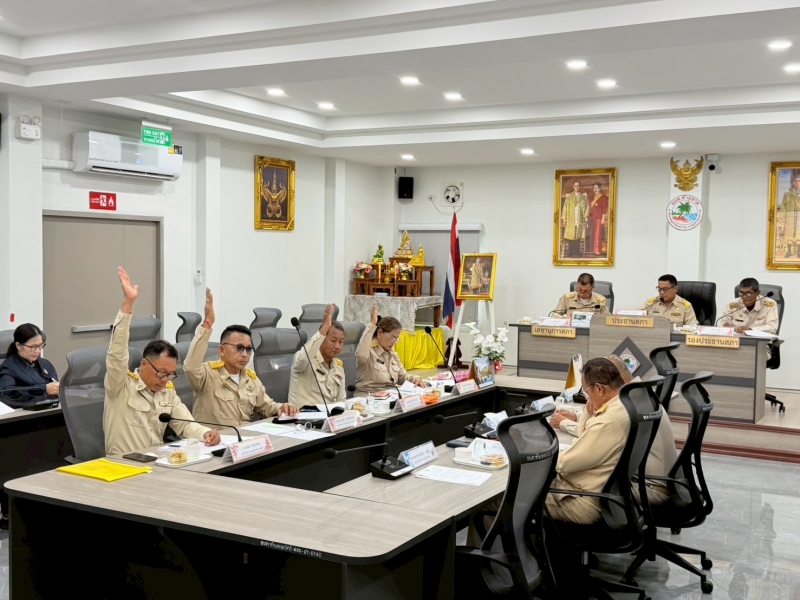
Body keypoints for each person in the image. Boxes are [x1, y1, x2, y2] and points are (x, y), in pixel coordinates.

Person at [104, 267, 220, 456]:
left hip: (156, 463)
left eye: (170, 374)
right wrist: (128, 302)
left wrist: (206, 433)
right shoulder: (120, 386)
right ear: (144, 364)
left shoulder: (167, 392)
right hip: (124, 466)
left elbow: (185, 424)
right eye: (161, 373)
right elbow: (117, 353)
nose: (165, 380)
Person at [551, 355, 677, 505]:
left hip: (647, 485)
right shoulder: (641, 394)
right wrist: (581, 411)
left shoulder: (627, 405)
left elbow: (595, 433)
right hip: (655, 479)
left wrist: (565, 423)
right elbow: (596, 429)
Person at [185, 288, 297, 426]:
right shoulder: (207, 375)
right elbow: (190, 367)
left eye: (249, 349)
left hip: (244, 438)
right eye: (239, 348)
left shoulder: (251, 379)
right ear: (222, 350)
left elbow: (266, 406)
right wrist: (207, 323)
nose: (245, 354)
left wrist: (282, 408)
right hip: (215, 438)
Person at [545, 358, 629, 524]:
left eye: (586, 392)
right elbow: (584, 434)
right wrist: (589, 406)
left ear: (599, 389)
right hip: (606, 494)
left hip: (583, 500)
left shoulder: (608, 420)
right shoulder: (624, 405)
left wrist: (534, 454)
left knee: (509, 498)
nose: (587, 398)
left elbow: (565, 463)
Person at [355, 305, 426, 396]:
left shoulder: (393, 355)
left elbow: (402, 377)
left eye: (396, 338)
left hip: (389, 397)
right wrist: (372, 324)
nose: (394, 342)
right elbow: (360, 354)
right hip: (367, 397)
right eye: (392, 337)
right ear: (380, 333)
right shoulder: (368, 352)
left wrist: (414, 379)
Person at [288, 303, 347, 407]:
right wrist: (325, 327)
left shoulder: (338, 366)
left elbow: (341, 400)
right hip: (303, 415)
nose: (338, 346)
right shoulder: (306, 359)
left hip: (329, 415)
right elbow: (303, 359)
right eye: (333, 341)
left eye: (341, 342)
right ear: (322, 339)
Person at [0, 323, 59, 404]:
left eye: (40, 345)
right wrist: (44, 389)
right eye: (33, 347)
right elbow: (7, 392)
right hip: (27, 409)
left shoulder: (45, 363)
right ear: (18, 346)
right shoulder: (8, 367)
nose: (37, 351)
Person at [561, 180, 588, 257]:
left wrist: (586, 216)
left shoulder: (583, 197)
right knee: (571, 235)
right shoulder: (569, 196)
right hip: (571, 219)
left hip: (579, 219)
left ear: (580, 186)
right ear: (573, 187)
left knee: (577, 235)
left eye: (578, 185)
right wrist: (564, 218)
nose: (577, 187)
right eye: (575, 186)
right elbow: (565, 207)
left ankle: (577, 251)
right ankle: (571, 251)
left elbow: (587, 206)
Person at [778, 174, 800, 258]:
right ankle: (789, 251)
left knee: (799, 232)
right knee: (789, 232)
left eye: (799, 181)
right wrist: (782, 217)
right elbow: (783, 205)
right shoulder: (788, 193)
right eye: (796, 181)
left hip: (799, 216)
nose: (798, 183)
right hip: (790, 215)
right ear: (793, 182)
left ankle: (799, 251)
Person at [586, 182, 608, 255]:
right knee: (591, 234)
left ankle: (597, 250)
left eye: (597, 188)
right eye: (594, 188)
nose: (595, 189)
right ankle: (591, 250)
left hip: (599, 218)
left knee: (597, 234)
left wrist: (603, 218)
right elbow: (589, 208)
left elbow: (604, 208)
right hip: (591, 218)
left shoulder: (603, 197)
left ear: (599, 188)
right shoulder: (591, 197)